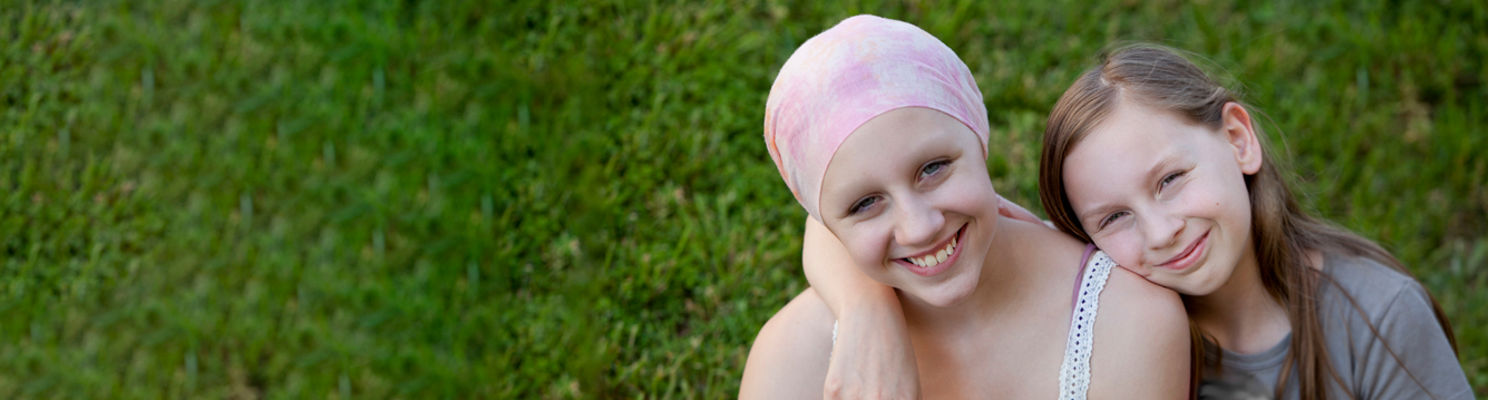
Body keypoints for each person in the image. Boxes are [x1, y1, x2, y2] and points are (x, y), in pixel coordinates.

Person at [809, 44, 1474, 399]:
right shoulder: (1102, 305)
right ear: (1084, 238)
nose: (1159, 233)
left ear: (1239, 139)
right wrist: (868, 312)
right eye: (1114, 217)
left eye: (1170, 180)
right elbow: (832, 219)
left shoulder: (1375, 317)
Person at [738, 16, 1189, 399]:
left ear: (980, 138)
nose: (919, 227)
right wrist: (866, 311)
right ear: (825, 224)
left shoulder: (1129, 322)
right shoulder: (794, 358)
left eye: (933, 168)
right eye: (865, 204)